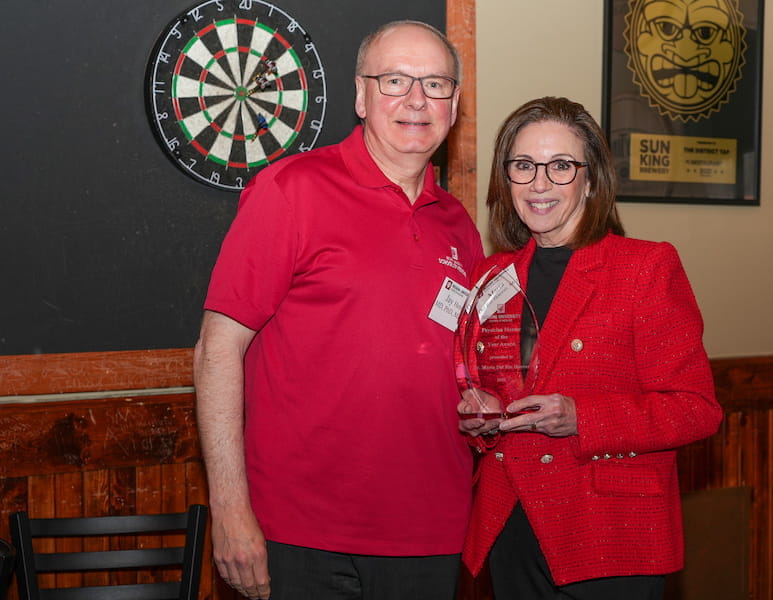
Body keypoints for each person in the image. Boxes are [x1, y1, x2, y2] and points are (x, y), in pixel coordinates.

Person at [193, 20, 484, 600]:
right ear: (359, 94)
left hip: (432, 531)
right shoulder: (291, 190)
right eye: (395, 80)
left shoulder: (460, 226)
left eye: (436, 83)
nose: (416, 100)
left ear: (455, 103)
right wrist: (229, 510)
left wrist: (479, 404)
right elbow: (216, 350)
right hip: (303, 533)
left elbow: (447, 365)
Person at [457, 96, 723, 600]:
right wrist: (480, 419)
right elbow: (490, 390)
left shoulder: (645, 267)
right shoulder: (491, 277)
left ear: (591, 178)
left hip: (609, 533)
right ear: (505, 177)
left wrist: (582, 417)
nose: (539, 183)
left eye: (560, 166)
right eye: (523, 165)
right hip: (513, 524)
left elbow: (697, 411)